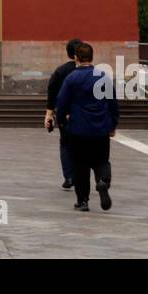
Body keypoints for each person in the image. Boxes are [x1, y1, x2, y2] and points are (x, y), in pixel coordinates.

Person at [54, 43, 118, 212]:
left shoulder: (72, 78)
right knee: (102, 161)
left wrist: (61, 121)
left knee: (80, 166)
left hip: (78, 129)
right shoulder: (103, 77)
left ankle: (83, 201)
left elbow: (61, 102)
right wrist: (113, 125)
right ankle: (103, 181)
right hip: (100, 129)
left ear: (76, 58)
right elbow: (113, 103)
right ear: (92, 57)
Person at [43, 38, 83, 191]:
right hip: (84, 116)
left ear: (68, 53)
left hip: (65, 115)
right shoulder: (94, 72)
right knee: (82, 146)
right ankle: (82, 175)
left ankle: (69, 176)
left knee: (65, 144)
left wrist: (49, 115)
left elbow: (52, 93)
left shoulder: (61, 71)